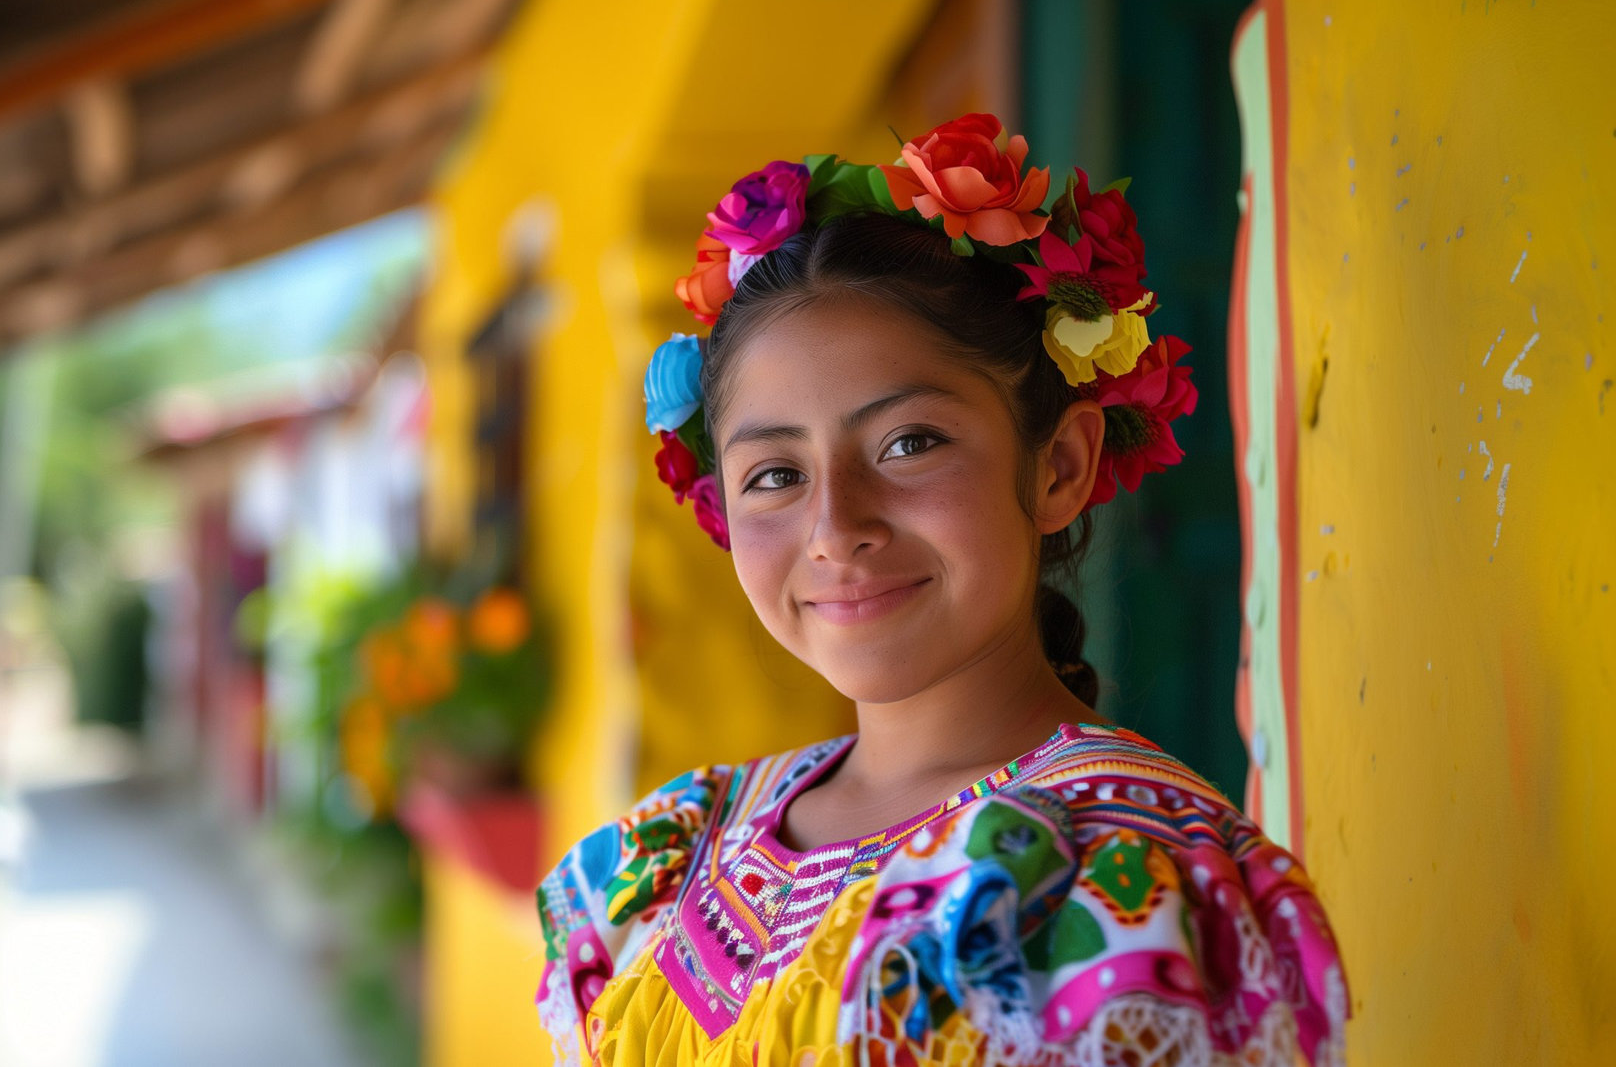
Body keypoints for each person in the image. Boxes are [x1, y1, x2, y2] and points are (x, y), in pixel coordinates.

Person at [534, 114, 1348, 1066]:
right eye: (775, 474)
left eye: (909, 443)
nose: (837, 528)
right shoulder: (676, 855)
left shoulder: (1126, 885)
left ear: (1059, 467)